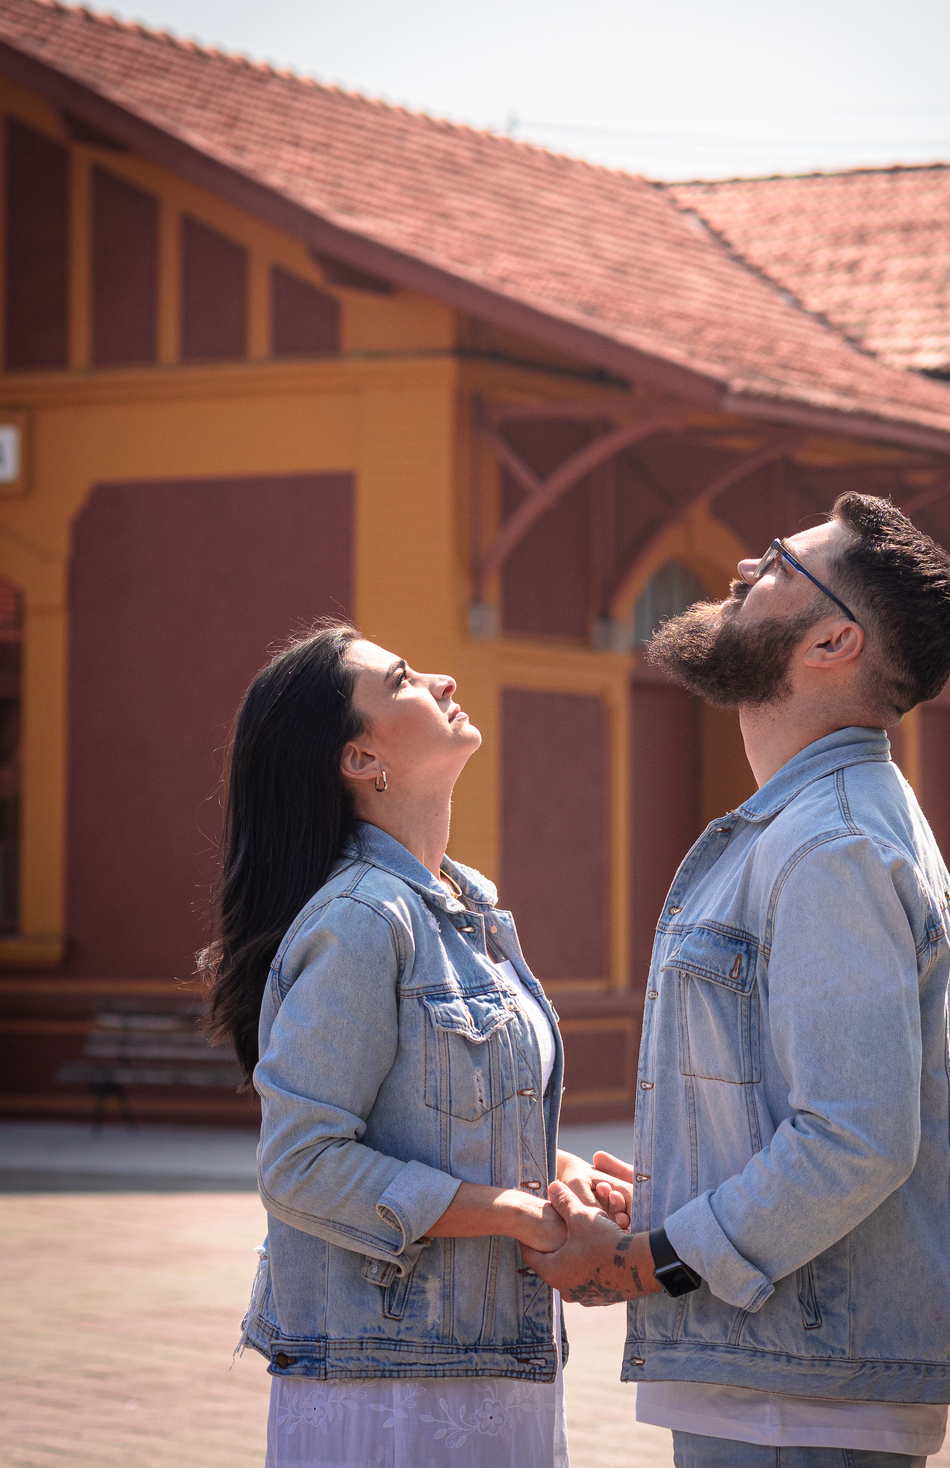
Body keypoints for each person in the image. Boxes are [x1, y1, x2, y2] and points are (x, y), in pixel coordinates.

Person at [523, 493, 950, 1468]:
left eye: (777, 566)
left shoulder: (830, 844)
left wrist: (645, 1263)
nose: (741, 575)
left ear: (833, 641)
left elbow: (851, 1136)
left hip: (798, 1393)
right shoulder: (818, 826)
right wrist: (681, 1192)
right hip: (784, 1373)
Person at [199, 622, 630, 1468]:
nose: (438, 678)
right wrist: (512, 1213)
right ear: (360, 759)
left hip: (489, 1356)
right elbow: (300, 1165)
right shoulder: (364, 919)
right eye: (400, 680)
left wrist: (551, 1174)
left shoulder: (465, 907)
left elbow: (436, 1115)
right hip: (389, 1383)